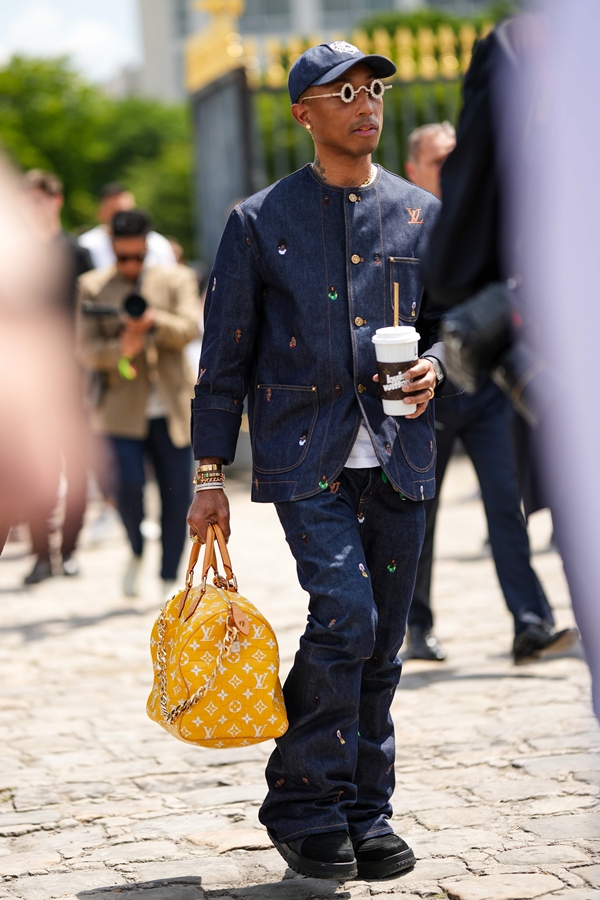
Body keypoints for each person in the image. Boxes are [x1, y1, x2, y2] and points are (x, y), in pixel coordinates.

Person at [187, 41, 453, 881]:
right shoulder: (258, 220)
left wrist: (437, 364)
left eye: (373, 90)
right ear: (304, 113)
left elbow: (450, 321)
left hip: (402, 453)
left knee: (386, 644)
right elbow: (223, 356)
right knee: (348, 616)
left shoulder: (419, 214)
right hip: (309, 453)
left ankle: (363, 810)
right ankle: (301, 798)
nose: (365, 104)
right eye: (343, 93)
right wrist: (205, 478)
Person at [403, 127, 579, 665]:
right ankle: (417, 627)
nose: (452, 167)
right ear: (415, 168)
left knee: (508, 507)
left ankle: (530, 624)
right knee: (421, 517)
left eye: (458, 156)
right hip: (428, 394)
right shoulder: (403, 222)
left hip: (487, 390)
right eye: (439, 159)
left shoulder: (490, 218)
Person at [76, 209, 199, 598]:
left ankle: (167, 578)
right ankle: (135, 548)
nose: (130, 265)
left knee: (177, 496)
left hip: (173, 409)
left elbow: (192, 326)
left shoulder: (176, 278)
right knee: (126, 487)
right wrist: (121, 348)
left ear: (148, 248)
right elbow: (85, 349)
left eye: (137, 257)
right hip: (119, 412)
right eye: (122, 257)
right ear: (111, 248)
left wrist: (153, 323)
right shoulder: (91, 286)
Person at [20, 170, 92, 584]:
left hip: (75, 370)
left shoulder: (76, 253)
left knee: (75, 464)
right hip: (31, 374)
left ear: (56, 201)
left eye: (39, 200)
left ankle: (67, 549)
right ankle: (40, 553)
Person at [78, 183, 176, 269]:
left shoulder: (158, 245)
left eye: (139, 257)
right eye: (115, 213)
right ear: (101, 213)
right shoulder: (85, 245)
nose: (123, 219)